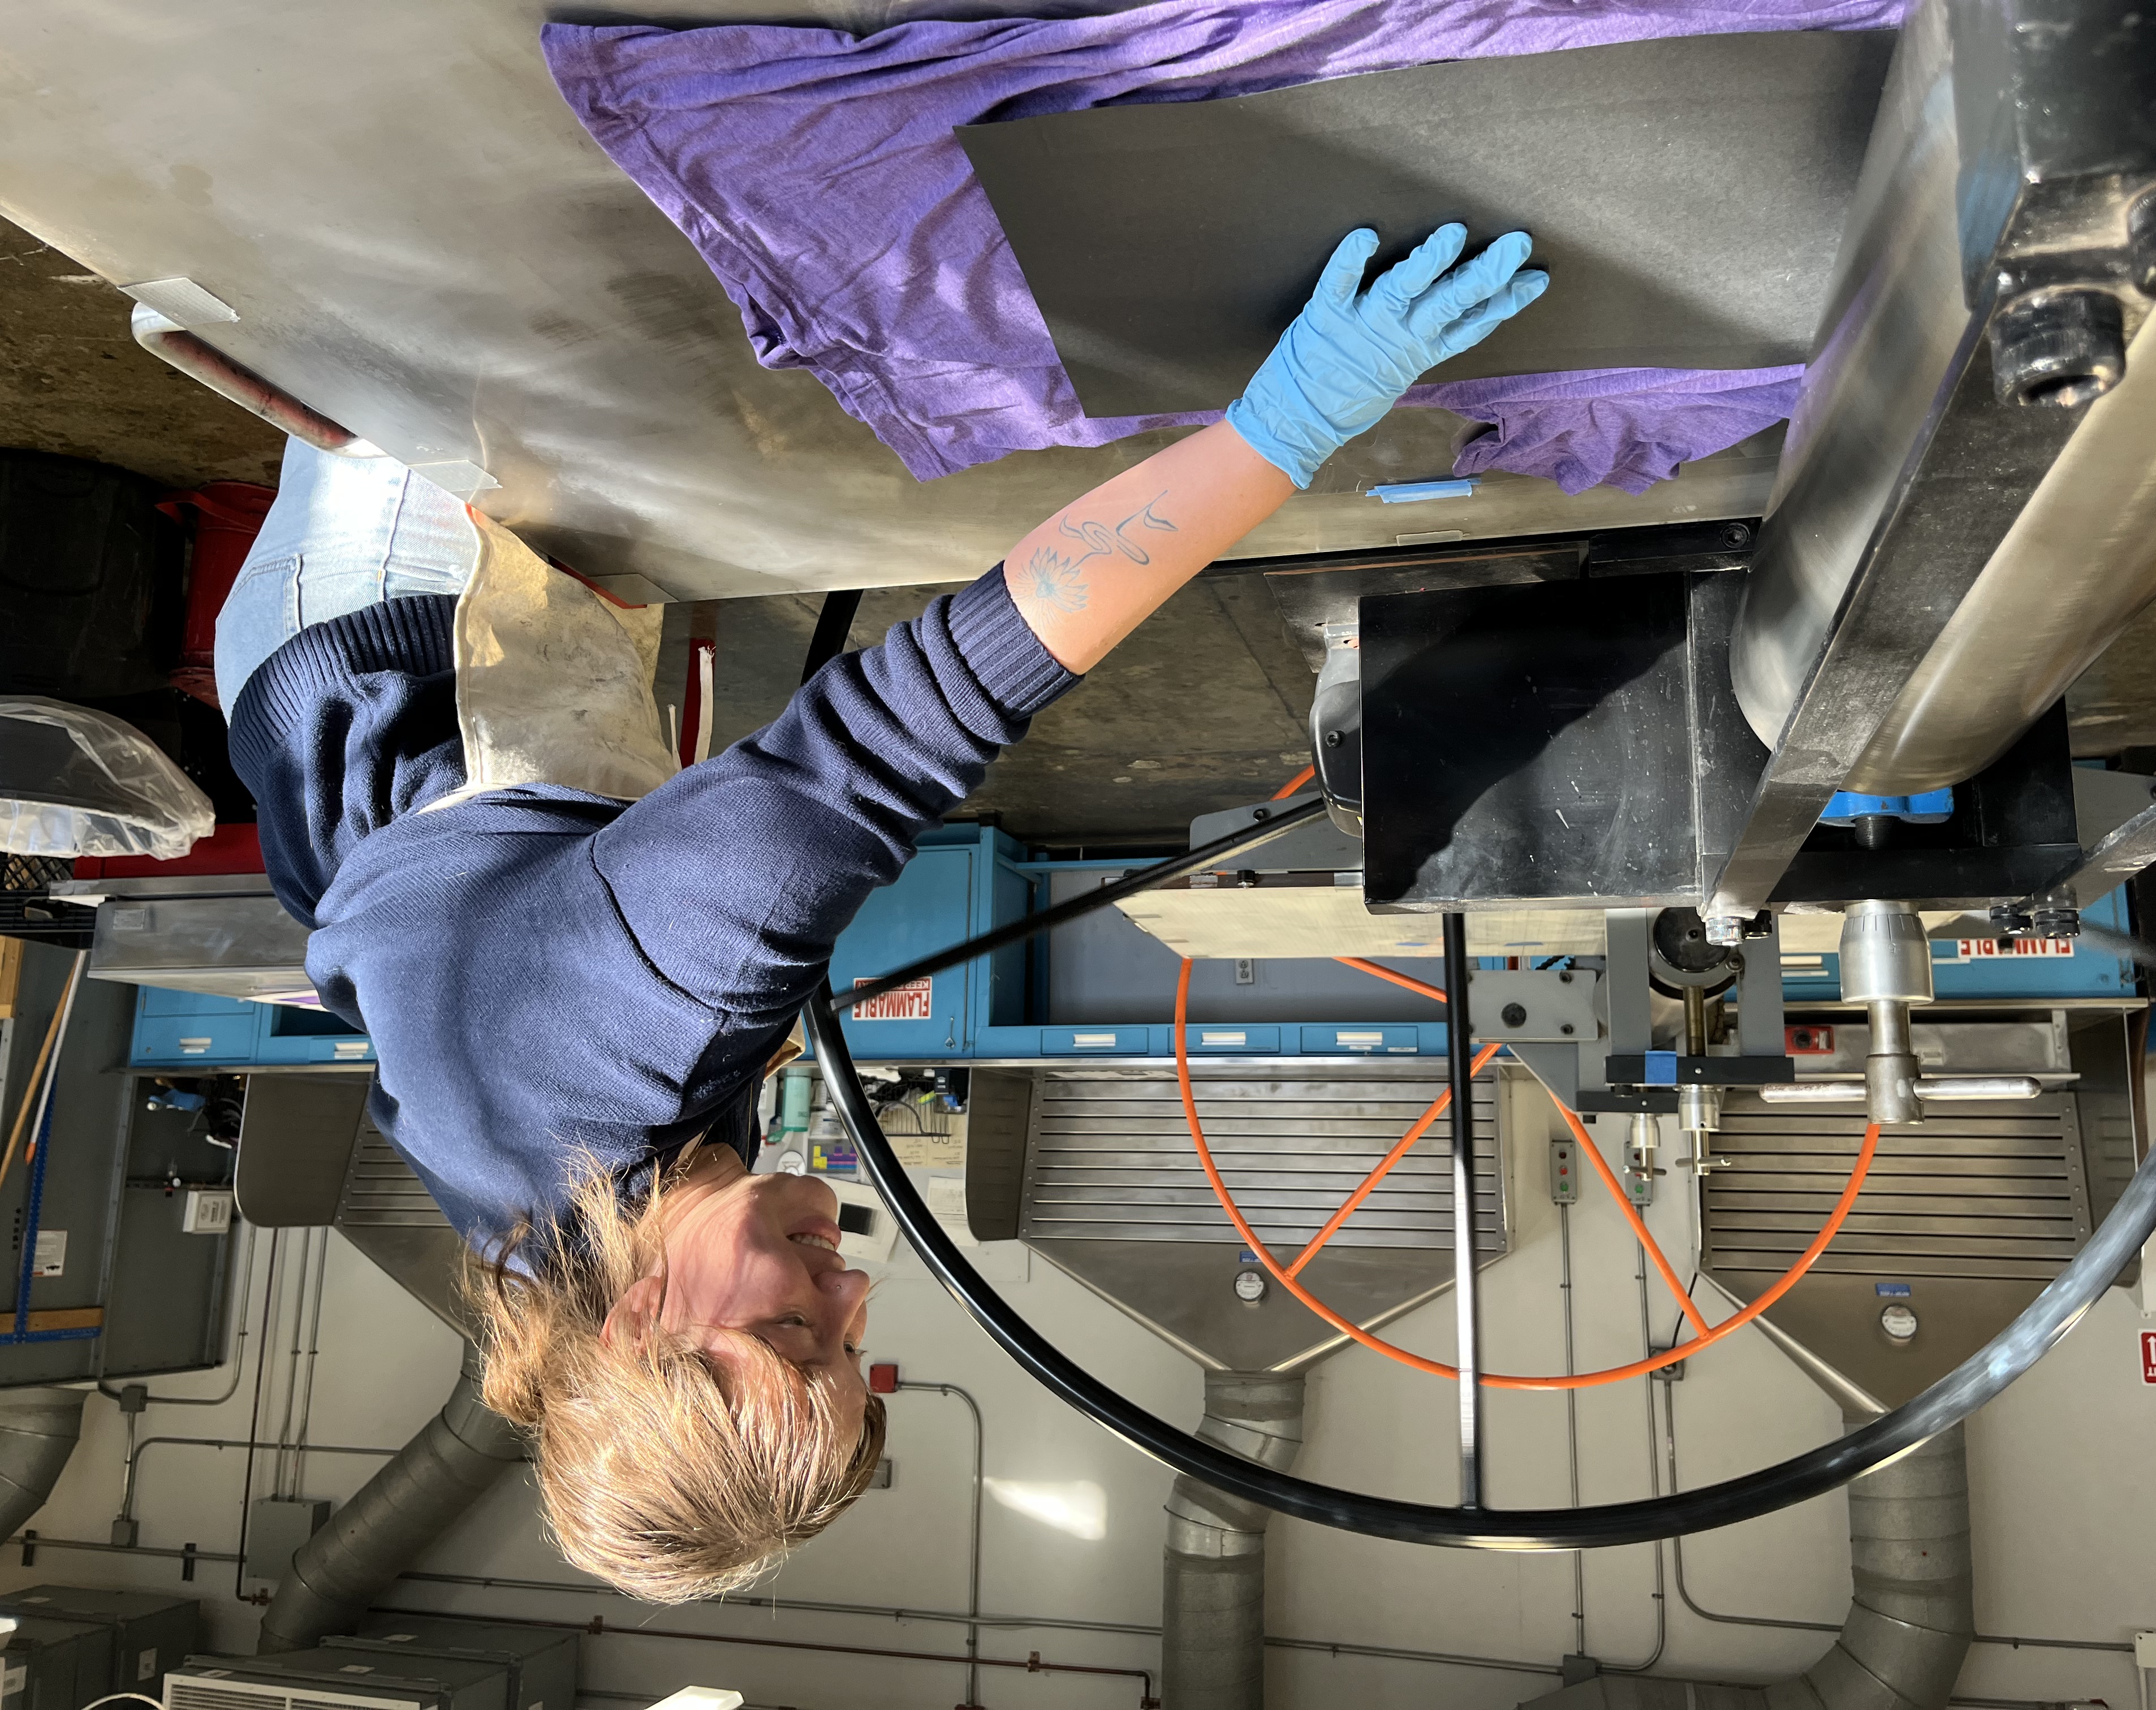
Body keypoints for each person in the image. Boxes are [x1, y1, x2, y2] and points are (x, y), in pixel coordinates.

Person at [219, 222, 1547, 1601]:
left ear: (636, 1329)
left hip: (394, 611)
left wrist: (1289, 424)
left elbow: (935, 701)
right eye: (852, 1350)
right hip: (356, 764)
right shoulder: (570, 1254)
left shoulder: (630, 1040)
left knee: (434, 239)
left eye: (796, 1335)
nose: (850, 1294)